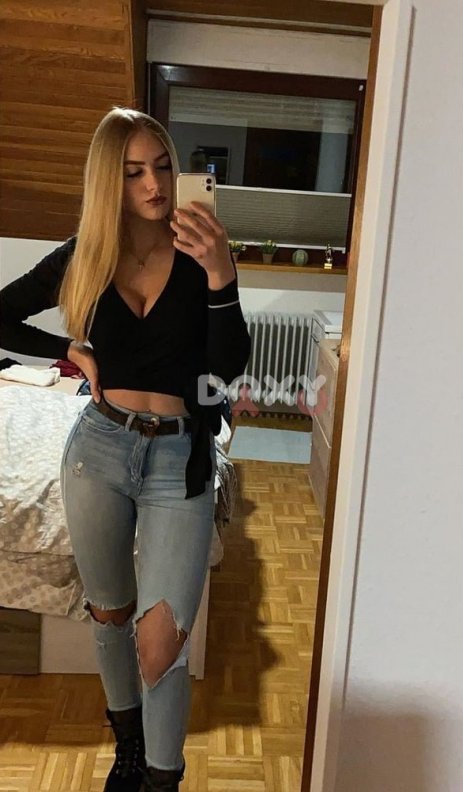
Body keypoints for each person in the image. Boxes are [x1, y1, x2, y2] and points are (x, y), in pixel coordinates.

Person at [0, 107, 251, 792]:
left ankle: (163, 780)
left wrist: (222, 275)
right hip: (98, 450)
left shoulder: (201, 252)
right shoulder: (87, 253)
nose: (154, 185)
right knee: (109, 615)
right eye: (134, 172)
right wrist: (70, 352)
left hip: (178, 457)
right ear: (109, 180)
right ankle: (130, 752)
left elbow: (227, 370)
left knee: (161, 640)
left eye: (163, 166)